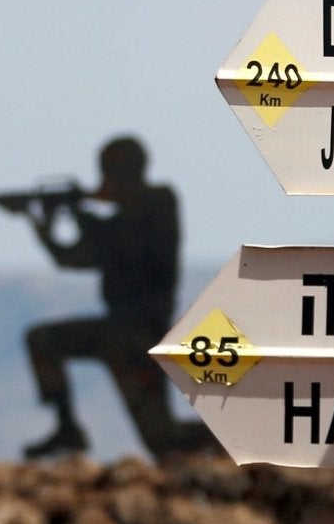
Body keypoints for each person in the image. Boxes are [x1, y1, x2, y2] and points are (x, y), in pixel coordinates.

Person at [17, 135, 210, 462]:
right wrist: (45, 230)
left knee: (165, 443)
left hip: (138, 337)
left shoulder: (158, 204)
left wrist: (80, 214)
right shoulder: (124, 217)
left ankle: (242, 444)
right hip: (119, 335)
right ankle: (67, 430)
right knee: (42, 341)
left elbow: (118, 241)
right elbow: (77, 258)